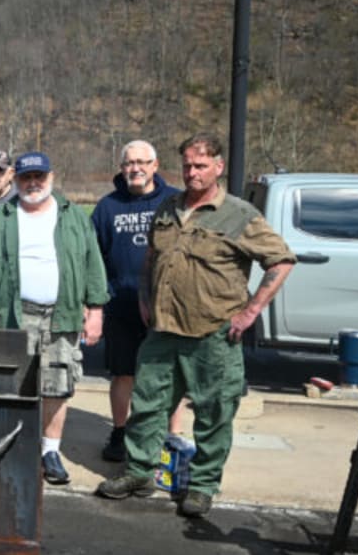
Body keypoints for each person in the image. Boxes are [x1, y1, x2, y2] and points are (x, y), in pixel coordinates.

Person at [96, 134, 296, 518]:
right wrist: (144, 299)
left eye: (201, 166)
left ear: (218, 167)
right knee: (147, 406)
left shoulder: (238, 215)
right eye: (187, 165)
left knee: (213, 413)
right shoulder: (167, 208)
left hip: (213, 332)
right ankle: (139, 472)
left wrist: (251, 311)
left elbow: (281, 260)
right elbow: (150, 258)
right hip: (163, 330)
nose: (192, 173)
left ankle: (203, 486)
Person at [0, 151, 107, 486]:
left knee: (58, 384)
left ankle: (50, 451)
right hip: (14, 315)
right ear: (15, 179)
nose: (32, 184)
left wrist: (96, 311)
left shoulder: (73, 217)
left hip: (63, 314)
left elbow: (93, 264)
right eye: (26, 177)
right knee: (15, 385)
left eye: (38, 177)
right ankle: (17, 448)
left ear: (51, 178)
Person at [90, 140, 181, 462]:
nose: (136, 168)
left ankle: (171, 438)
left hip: (166, 307)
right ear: (121, 167)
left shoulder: (174, 202)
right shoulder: (107, 207)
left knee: (168, 375)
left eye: (142, 162)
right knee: (123, 373)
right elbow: (94, 256)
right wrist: (95, 302)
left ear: (155, 166)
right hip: (121, 305)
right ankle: (119, 432)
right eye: (129, 163)